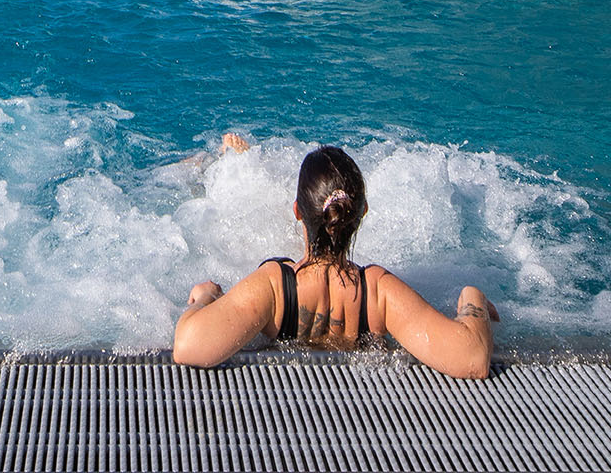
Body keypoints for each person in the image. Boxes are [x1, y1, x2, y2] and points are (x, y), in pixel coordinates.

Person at [173, 143, 496, 376]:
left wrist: (206, 298)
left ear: (298, 211)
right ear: (362, 214)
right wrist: (473, 297)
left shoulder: (275, 287)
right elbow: (472, 356)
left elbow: (188, 347)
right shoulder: (378, 293)